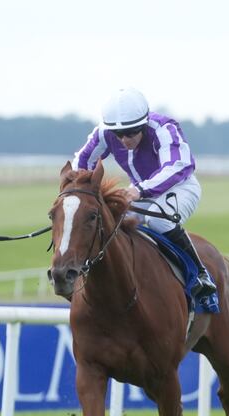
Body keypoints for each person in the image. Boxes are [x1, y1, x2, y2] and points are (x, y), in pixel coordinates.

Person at [72, 87, 217, 298]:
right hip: (140, 193)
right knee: (112, 223)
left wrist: (139, 190)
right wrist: (80, 189)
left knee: (160, 222)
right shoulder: (104, 132)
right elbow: (82, 162)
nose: (125, 140)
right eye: (119, 134)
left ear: (144, 123)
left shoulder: (163, 128)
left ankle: (200, 274)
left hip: (180, 187)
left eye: (131, 132)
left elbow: (177, 166)